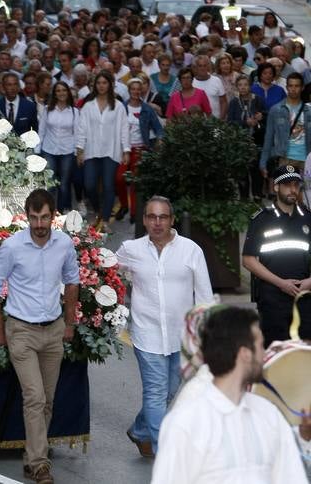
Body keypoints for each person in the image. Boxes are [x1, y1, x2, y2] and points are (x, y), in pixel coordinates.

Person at [0, 189, 79, 484]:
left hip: (52, 331)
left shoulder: (64, 244)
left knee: (47, 400)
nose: (39, 224)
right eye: (34, 218)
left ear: (54, 216)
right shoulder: (13, 247)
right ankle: (40, 464)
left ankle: (31, 457)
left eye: (45, 217)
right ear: (26, 216)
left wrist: (69, 323)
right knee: (35, 397)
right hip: (21, 331)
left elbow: (72, 280)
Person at [151, 305, 308, 483]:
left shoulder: (269, 415)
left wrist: (303, 436)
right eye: (261, 346)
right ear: (245, 354)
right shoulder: (186, 420)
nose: (264, 355)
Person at [117, 195, 213, 457]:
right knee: (156, 392)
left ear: (171, 220)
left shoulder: (191, 250)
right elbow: (108, 273)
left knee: (169, 392)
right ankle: (164, 455)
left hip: (182, 337)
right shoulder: (130, 250)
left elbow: (204, 297)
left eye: (162, 217)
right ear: (145, 220)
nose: (157, 222)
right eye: (151, 217)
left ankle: (140, 430)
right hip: (146, 335)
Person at [242, 165, 311, 346]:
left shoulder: (307, 218)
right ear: (276, 187)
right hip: (273, 299)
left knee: (304, 354)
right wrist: (281, 283)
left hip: (303, 297)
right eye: (287, 185)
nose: (293, 189)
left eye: (296, 185)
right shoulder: (261, 219)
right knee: (275, 354)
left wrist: (310, 282)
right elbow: (248, 260)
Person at [75, 70, 130, 233]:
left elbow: (124, 129)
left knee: (108, 186)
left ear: (110, 85)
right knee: (89, 185)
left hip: (111, 151)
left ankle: (105, 220)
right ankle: (100, 210)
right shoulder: (88, 105)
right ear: (94, 85)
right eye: (98, 83)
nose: (101, 86)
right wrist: (79, 149)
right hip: (91, 151)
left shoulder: (119, 106)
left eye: (104, 83)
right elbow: (81, 128)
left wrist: (126, 149)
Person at [115, 79, 164, 223]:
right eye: (133, 89)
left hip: (140, 149)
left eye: (138, 89)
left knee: (136, 181)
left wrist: (160, 139)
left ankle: (135, 212)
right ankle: (124, 206)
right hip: (123, 148)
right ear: (129, 90)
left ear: (141, 91)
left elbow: (158, 128)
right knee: (119, 178)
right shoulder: (121, 107)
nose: (136, 92)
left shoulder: (147, 109)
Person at [260, 72, 311, 178]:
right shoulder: (276, 110)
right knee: (287, 194)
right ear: (287, 87)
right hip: (285, 158)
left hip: (307, 159)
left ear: (302, 88)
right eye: (291, 86)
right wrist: (263, 162)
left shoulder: (308, 110)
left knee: (306, 194)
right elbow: (268, 137)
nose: (293, 89)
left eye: (297, 86)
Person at [38, 82, 77, 213]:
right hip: (49, 150)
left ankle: (61, 211)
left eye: (64, 90)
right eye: (58, 91)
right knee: (50, 184)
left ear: (68, 92)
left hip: (67, 151)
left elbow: (78, 133)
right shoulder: (47, 109)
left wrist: (77, 152)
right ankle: (49, 211)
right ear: (54, 93)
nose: (61, 93)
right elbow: (41, 130)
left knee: (64, 184)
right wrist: (38, 150)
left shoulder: (74, 112)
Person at [227, 75, 265, 200]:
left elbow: (265, 114)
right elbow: (230, 122)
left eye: (246, 84)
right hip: (240, 141)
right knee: (242, 170)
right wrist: (244, 122)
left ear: (250, 86)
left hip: (256, 139)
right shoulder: (233, 102)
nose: (243, 87)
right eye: (240, 85)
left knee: (255, 169)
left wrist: (261, 117)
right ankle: (243, 197)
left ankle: (257, 194)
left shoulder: (257, 100)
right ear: (237, 87)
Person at [0, 71, 38, 135]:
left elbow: (34, 131)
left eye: (15, 84)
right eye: (9, 85)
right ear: (3, 87)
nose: (13, 88)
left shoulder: (30, 106)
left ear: (18, 86)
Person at [191, 55, 226, 119]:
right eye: (200, 66)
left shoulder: (217, 80)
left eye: (205, 65)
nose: (203, 68)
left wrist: (221, 119)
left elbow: (223, 102)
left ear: (208, 66)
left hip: (216, 121)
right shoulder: (191, 83)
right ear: (196, 67)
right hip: (197, 123)